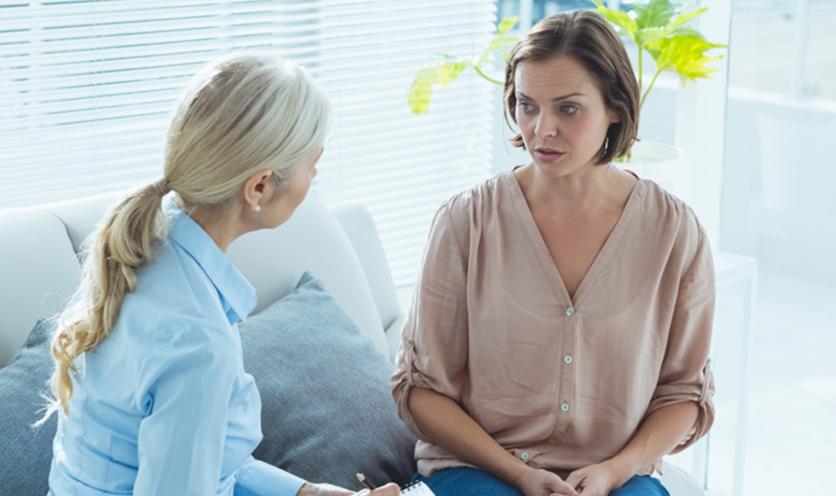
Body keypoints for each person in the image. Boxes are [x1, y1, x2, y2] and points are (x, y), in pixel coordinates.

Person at [38, 53, 399, 496]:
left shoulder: (144, 248)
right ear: (260, 186)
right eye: (313, 162)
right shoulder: (197, 341)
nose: (315, 176)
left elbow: (205, 461)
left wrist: (311, 493)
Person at [392, 11, 715, 496]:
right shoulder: (466, 222)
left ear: (615, 108)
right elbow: (420, 391)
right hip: (477, 469)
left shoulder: (673, 232)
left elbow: (684, 393)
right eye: (527, 105)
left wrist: (615, 470)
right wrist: (518, 474)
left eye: (567, 109)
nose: (541, 130)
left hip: (616, 475)